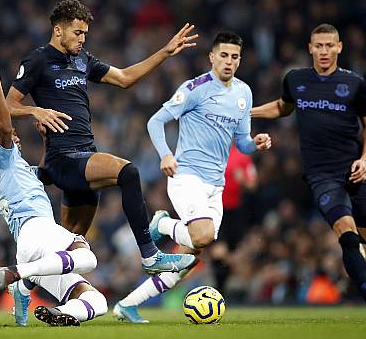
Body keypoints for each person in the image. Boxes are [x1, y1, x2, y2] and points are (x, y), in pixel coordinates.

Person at [5, 0, 198, 274]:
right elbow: (8, 104)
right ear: (58, 30)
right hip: (64, 158)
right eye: (78, 33)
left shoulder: (82, 60)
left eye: (85, 33)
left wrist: (164, 52)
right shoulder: (38, 60)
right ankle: (150, 254)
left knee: (70, 246)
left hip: (84, 157)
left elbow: (124, 78)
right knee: (128, 172)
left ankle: (23, 285)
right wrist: (36, 112)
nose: (83, 39)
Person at [113, 32, 271, 323]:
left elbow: (243, 142)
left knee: (188, 260)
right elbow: (155, 121)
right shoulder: (195, 88)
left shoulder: (244, 93)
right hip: (187, 177)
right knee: (204, 235)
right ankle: (163, 223)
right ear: (212, 57)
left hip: (216, 185)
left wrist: (256, 143)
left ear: (240, 60)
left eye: (234, 56)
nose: (229, 61)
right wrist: (165, 154)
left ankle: (127, 305)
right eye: (223, 55)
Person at [251, 23, 366, 319]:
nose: (324, 51)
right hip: (321, 175)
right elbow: (282, 106)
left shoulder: (355, 84)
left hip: (355, 170)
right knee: (346, 234)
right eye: (319, 46)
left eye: (330, 46)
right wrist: (244, 111)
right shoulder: (296, 79)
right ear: (310, 49)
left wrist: (364, 160)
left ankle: (358, 250)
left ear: (339, 47)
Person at [0, 54, 108, 327]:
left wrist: (47, 140)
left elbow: (42, 175)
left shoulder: (15, 171)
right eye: (9, 137)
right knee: (87, 257)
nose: (16, 138)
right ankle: (19, 275)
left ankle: (48, 305)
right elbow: (5, 128)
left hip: (34, 246)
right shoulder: (0, 158)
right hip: (37, 230)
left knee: (98, 302)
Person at [210, 146, 258, 293]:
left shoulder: (243, 157)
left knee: (232, 254)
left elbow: (253, 184)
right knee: (219, 252)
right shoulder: (213, 152)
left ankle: (222, 290)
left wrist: (243, 179)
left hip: (236, 212)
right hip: (216, 210)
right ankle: (220, 290)